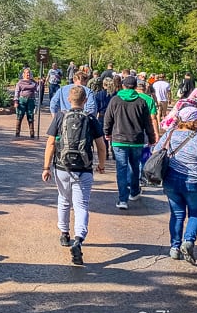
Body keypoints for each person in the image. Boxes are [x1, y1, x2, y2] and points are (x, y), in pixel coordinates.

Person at [42, 86, 106, 265]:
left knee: (63, 199)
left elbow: (51, 144)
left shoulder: (61, 116)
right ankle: (79, 239)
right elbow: (101, 146)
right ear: (85, 101)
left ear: (69, 99)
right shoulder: (91, 119)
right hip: (84, 168)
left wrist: (46, 167)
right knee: (81, 205)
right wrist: (101, 165)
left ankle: (64, 234)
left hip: (62, 167)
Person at [156, 106, 197, 263]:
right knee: (196, 213)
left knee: (177, 214)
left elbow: (155, 151)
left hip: (171, 180)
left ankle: (174, 248)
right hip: (195, 181)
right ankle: (188, 241)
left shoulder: (170, 134)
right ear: (193, 121)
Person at [103, 76, 155, 210]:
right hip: (136, 139)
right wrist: (151, 137)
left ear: (123, 86)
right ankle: (134, 192)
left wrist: (107, 133)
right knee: (134, 166)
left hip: (119, 140)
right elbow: (147, 122)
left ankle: (122, 200)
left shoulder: (115, 100)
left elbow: (108, 118)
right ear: (135, 87)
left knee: (121, 168)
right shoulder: (141, 102)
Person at [13, 68, 39, 138]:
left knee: (30, 116)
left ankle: (32, 133)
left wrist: (40, 84)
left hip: (31, 100)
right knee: (20, 115)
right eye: (26, 73)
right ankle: (17, 132)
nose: (28, 74)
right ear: (23, 74)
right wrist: (16, 101)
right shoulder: (20, 82)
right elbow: (17, 92)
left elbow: (38, 90)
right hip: (22, 100)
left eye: (29, 73)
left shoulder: (33, 83)